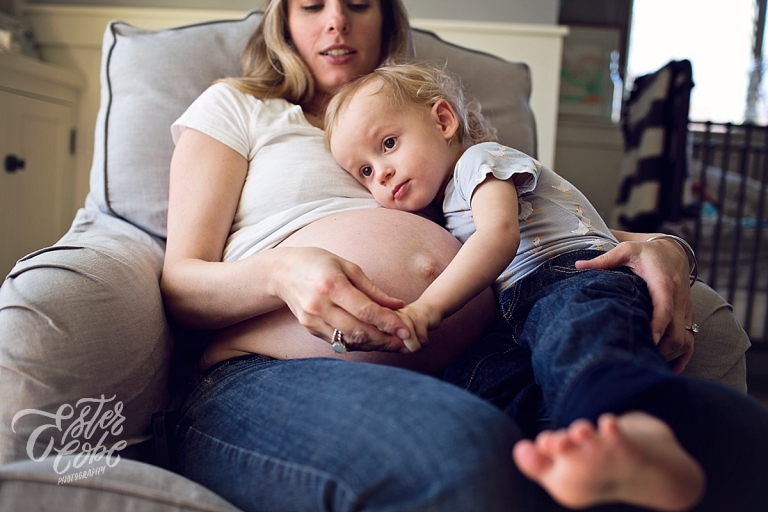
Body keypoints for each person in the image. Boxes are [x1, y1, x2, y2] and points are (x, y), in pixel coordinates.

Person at [160, 1, 764, 510]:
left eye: (358, 3)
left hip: (475, 354)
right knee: (468, 456)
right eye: (312, 4)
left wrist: (662, 247)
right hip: (266, 371)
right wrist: (281, 271)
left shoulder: (428, 133)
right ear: (283, 17)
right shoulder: (239, 107)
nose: (337, 21)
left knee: (733, 437)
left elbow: (542, 227)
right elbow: (180, 282)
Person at [324, 61, 768, 511]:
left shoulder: (481, 163)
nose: (380, 172)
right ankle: (565, 459)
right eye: (363, 171)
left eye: (389, 144)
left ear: (442, 120)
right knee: (479, 382)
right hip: (511, 316)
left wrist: (425, 309)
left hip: (569, 274)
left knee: (582, 334)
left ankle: (637, 427)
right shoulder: (437, 206)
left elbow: (499, 236)